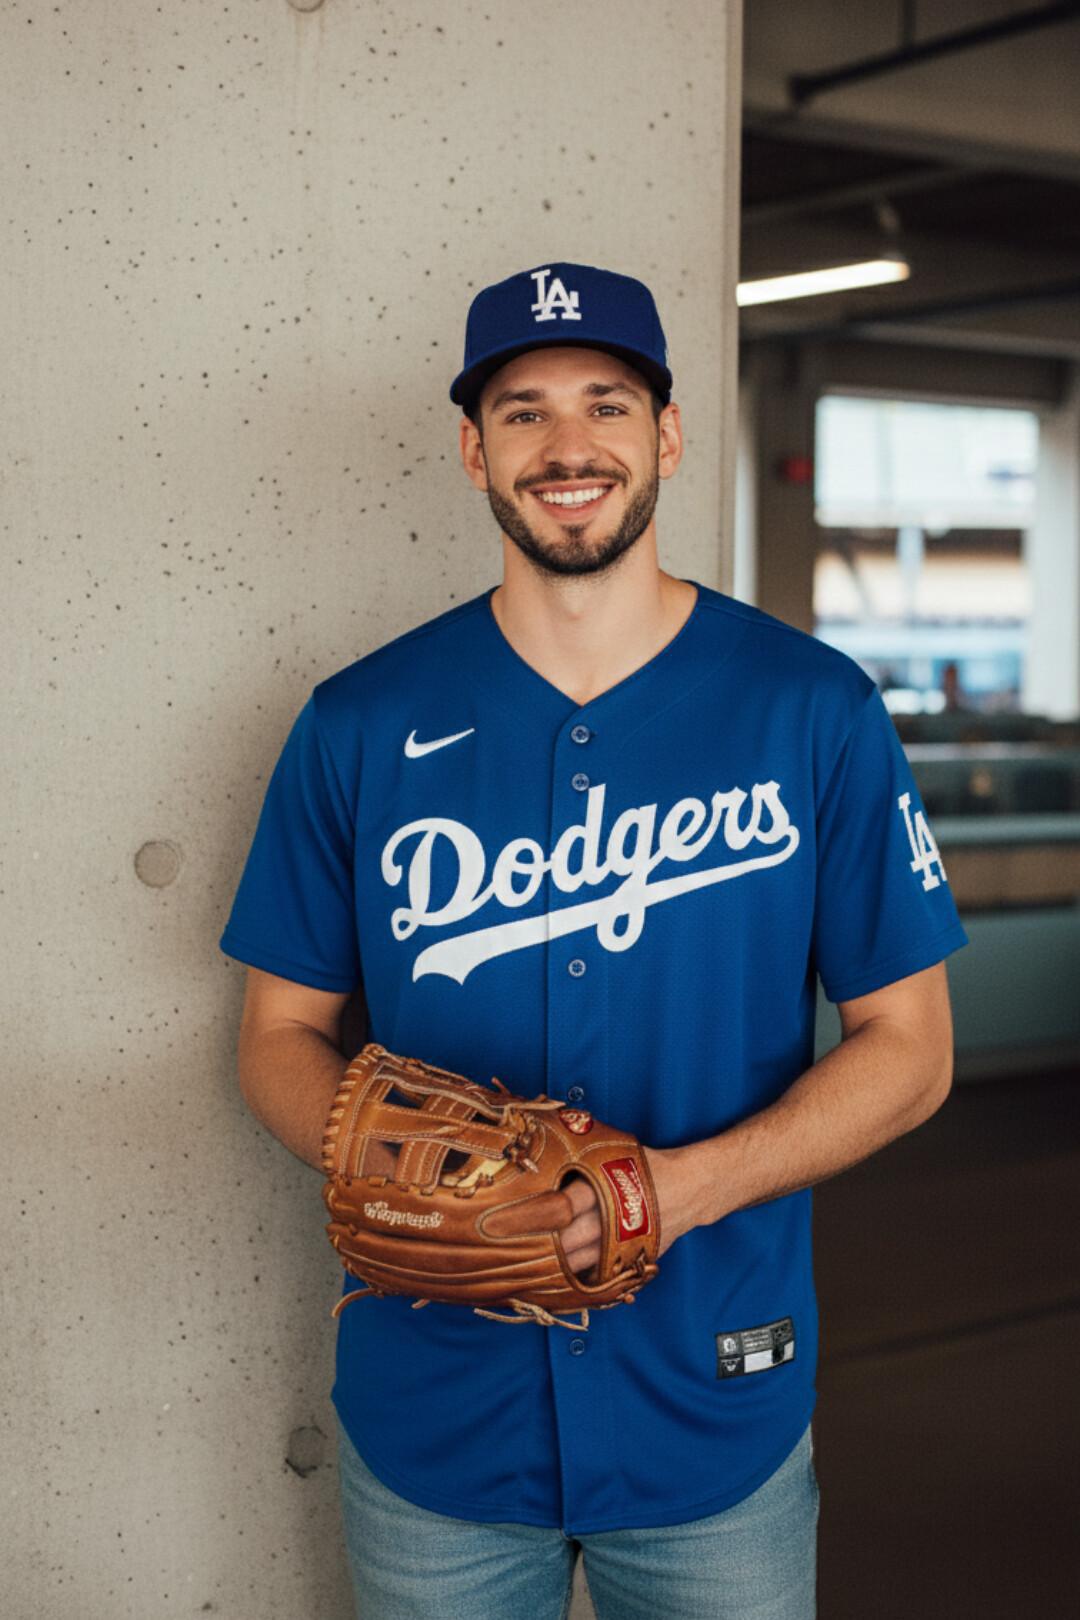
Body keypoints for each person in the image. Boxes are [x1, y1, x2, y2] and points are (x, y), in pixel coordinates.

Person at [219, 262, 969, 1620]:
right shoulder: (357, 723)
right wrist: (433, 1190)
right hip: (437, 1408)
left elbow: (910, 1050)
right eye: (523, 412)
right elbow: (276, 1035)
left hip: (712, 1404)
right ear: (475, 450)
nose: (569, 446)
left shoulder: (815, 712)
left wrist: (677, 1192)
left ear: (668, 435)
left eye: (607, 404)